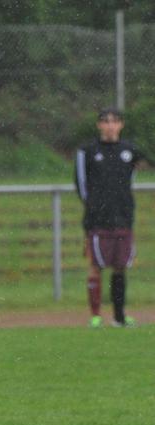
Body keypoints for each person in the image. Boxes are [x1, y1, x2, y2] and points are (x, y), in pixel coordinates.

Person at [75, 108, 148, 328]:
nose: (110, 125)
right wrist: (94, 207)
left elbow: (131, 178)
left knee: (120, 266)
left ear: (121, 125)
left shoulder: (130, 151)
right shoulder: (87, 151)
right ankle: (96, 315)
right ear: (99, 125)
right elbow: (81, 185)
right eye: (105, 121)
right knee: (96, 265)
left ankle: (119, 316)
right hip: (97, 219)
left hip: (123, 217)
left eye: (114, 121)